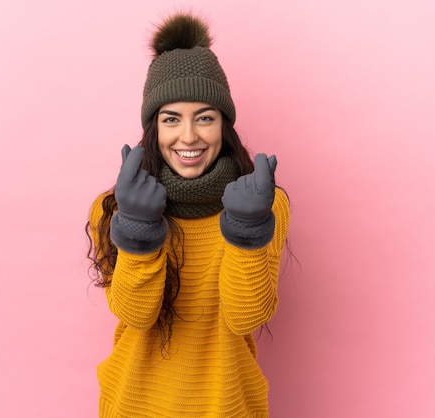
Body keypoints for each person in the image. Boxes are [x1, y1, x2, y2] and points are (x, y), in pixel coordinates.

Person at [86, 12, 290, 418]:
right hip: (133, 404)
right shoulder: (111, 208)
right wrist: (138, 229)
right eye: (171, 119)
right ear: (153, 128)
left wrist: (247, 231)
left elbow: (245, 315)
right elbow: (136, 315)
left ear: (224, 125)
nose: (189, 136)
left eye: (205, 117)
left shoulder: (265, 203)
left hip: (227, 405)